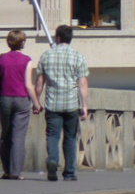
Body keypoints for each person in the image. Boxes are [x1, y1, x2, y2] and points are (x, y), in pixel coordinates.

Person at [34, 25, 89, 182]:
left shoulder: (46, 56)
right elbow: (83, 83)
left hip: (52, 103)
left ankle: (53, 159)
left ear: (57, 38)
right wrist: (84, 105)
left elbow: (40, 81)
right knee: (70, 138)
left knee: (52, 135)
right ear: (70, 38)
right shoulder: (78, 56)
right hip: (71, 104)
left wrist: (36, 101)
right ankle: (70, 172)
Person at [0, 30, 41, 180]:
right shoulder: (26, 60)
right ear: (22, 43)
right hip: (21, 100)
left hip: (4, 98)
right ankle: (16, 172)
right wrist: (36, 103)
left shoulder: (2, 59)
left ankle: (6, 170)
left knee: (5, 134)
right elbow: (28, 85)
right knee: (18, 136)